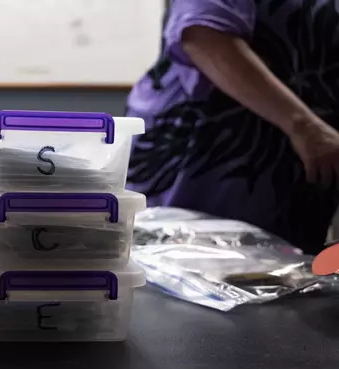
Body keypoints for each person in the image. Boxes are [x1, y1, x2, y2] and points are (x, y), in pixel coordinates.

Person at [126, 0, 339, 254]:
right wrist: (307, 128)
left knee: (285, 278)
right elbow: (203, 34)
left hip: (299, 172)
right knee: (189, 269)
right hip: (212, 151)